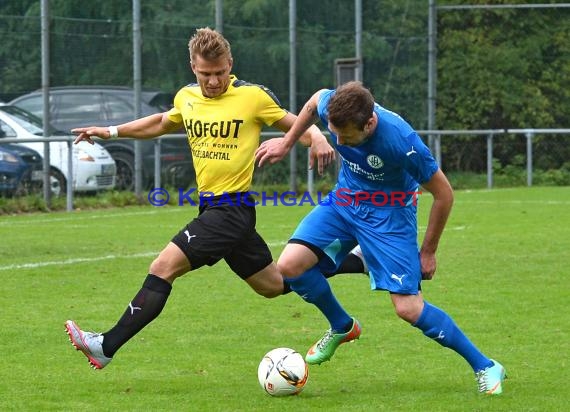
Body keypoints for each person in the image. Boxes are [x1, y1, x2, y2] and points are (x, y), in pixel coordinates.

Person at [64, 28, 366, 370]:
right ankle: (359, 261)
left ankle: (106, 344)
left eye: (220, 72)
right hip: (213, 208)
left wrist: (317, 137)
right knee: (275, 284)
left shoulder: (251, 97)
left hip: (230, 211)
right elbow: (162, 123)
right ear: (193, 67)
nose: (213, 81)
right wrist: (112, 131)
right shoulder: (186, 98)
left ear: (230, 64)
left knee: (163, 267)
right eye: (206, 74)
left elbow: (295, 124)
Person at [255, 81, 506, 395]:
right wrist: (287, 142)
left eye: (346, 136)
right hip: (344, 202)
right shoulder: (333, 106)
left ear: (369, 123)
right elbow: (315, 99)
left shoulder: (403, 142)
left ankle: (485, 365)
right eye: (334, 133)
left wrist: (427, 253)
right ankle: (342, 326)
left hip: (390, 217)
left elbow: (444, 195)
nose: (339, 141)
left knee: (408, 309)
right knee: (290, 265)